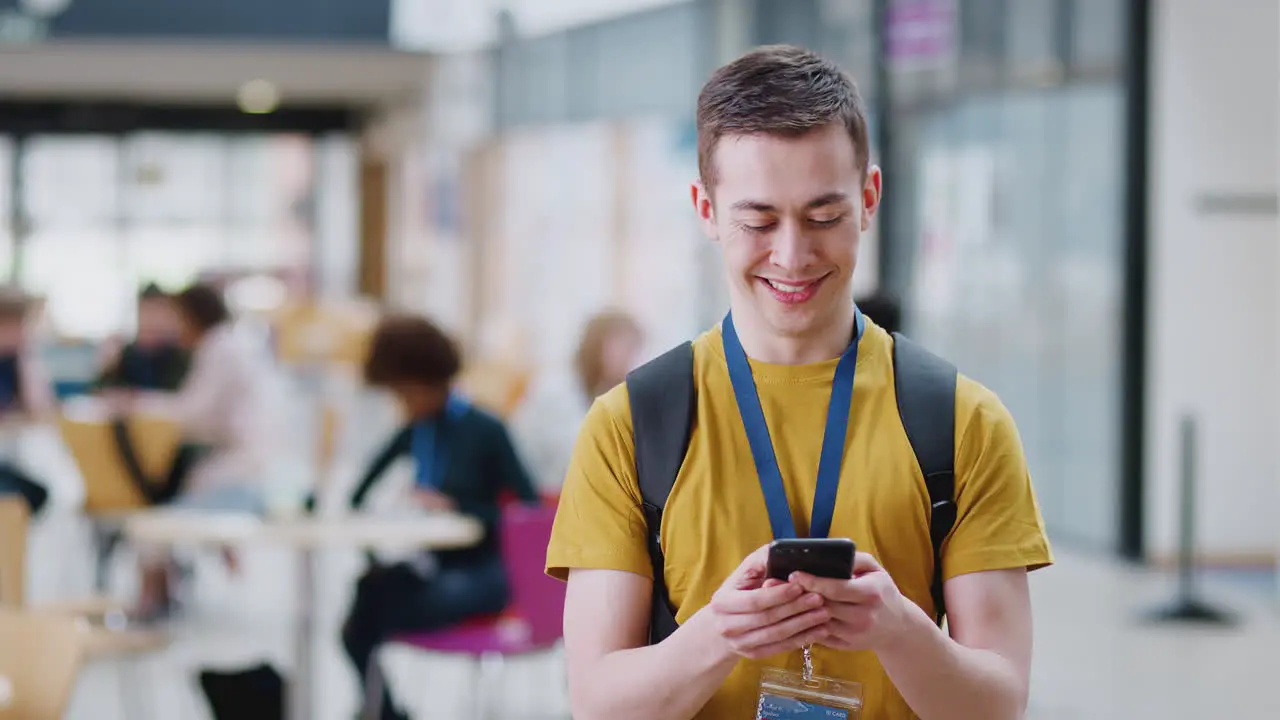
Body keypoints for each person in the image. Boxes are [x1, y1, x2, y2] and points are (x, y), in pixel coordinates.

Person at [545, 45, 1052, 720]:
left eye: (823, 216)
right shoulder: (630, 427)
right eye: (757, 221)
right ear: (705, 209)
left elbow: (998, 706)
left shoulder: (964, 424)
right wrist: (719, 634)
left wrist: (901, 633)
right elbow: (597, 705)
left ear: (869, 198)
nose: (791, 254)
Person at [341, 313, 540, 720]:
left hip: (485, 571)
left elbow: (528, 508)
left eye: (404, 391)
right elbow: (359, 492)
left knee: (374, 609)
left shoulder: (485, 428)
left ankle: (380, 713)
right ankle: (387, 711)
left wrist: (460, 509)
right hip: (435, 563)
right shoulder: (417, 428)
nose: (402, 402)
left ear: (427, 380)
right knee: (362, 606)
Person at [129, 282, 281, 618]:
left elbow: (193, 414)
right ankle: (163, 594)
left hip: (237, 468)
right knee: (160, 513)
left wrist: (138, 404)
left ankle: (151, 602)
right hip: (234, 462)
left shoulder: (222, 349)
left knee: (152, 526)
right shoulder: (232, 343)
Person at [511, 310, 644, 492]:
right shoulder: (556, 390)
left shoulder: (607, 391)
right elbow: (581, 458)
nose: (631, 359)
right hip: (547, 499)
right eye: (626, 348)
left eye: (635, 350)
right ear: (598, 346)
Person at [0, 290, 56, 515]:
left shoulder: (18, 363)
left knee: (39, 494)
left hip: (13, 455)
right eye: (12, 326)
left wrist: (25, 360)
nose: (20, 334)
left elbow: (43, 411)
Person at [95, 283, 190, 393]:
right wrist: (108, 368)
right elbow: (100, 393)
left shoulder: (182, 356)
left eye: (157, 313)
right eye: (145, 313)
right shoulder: (125, 354)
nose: (150, 322)